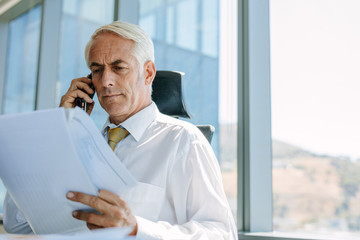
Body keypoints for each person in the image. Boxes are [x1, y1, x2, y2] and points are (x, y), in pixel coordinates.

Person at [3, 21, 237, 239]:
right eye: (97, 70)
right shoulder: (80, 144)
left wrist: (136, 228)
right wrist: (59, 131)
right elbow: (16, 222)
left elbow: (222, 233)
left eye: (118, 67)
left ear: (148, 73)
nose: (105, 81)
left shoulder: (184, 141)